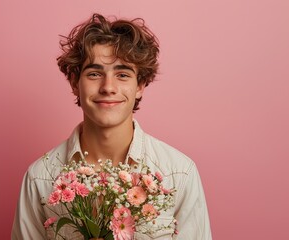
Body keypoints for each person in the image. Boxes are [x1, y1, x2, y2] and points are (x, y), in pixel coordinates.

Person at [12, 13, 212, 240]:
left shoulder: (179, 173)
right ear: (75, 83)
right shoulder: (40, 178)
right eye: (95, 74)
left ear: (141, 85)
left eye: (123, 74)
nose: (108, 87)